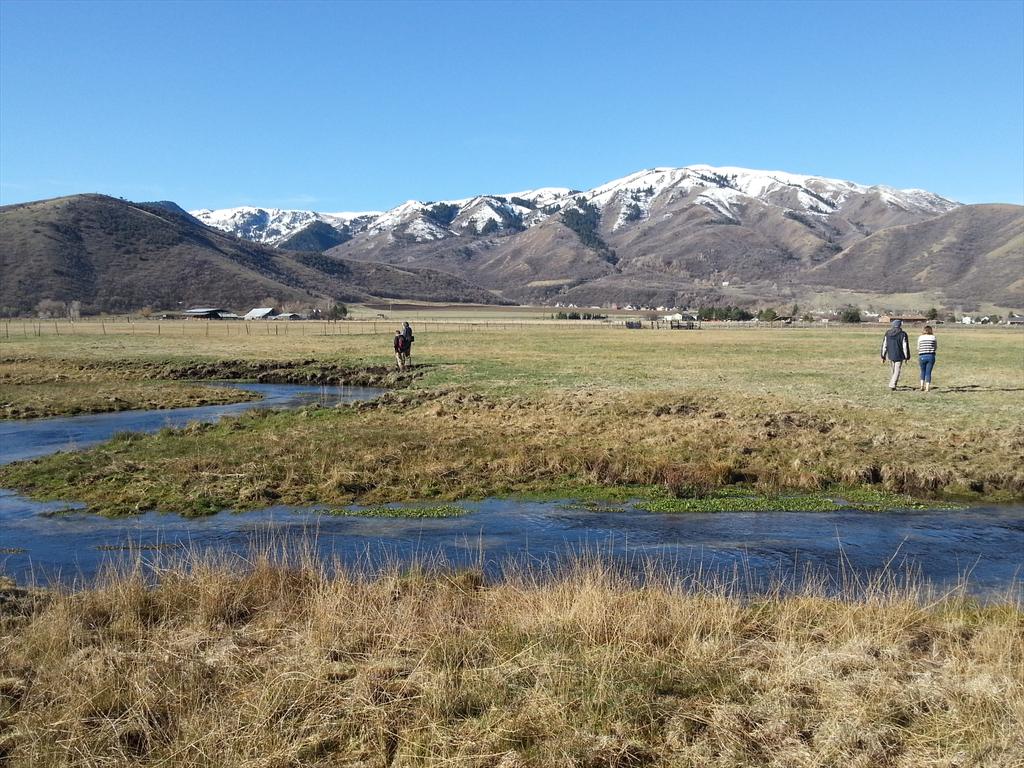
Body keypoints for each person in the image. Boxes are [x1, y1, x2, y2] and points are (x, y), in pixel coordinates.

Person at [880, 318, 910, 390]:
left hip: (891, 354)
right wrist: (907, 356)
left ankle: (893, 383)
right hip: (899, 355)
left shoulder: (888, 333)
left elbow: (885, 345)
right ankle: (892, 384)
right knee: (897, 370)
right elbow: (904, 346)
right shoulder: (903, 334)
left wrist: (883, 356)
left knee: (893, 370)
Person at [917, 324, 937, 392]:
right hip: (931, 356)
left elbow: (918, 347)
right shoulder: (933, 337)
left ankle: (922, 385)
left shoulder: (920, 337)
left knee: (922, 371)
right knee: (928, 372)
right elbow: (935, 347)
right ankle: (927, 387)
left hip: (922, 355)